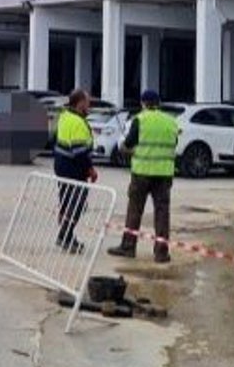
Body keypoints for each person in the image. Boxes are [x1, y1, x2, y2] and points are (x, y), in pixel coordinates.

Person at [107, 89, 178, 264]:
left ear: (143, 103)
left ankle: (128, 247)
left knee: (135, 211)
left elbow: (128, 144)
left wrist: (124, 146)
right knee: (162, 213)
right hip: (164, 175)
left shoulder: (140, 120)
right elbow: (174, 143)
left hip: (142, 173)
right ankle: (161, 253)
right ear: (159, 103)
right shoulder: (171, 121)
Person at [54, 88, 97, 253]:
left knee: (66, 202)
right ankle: (65, 236)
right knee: (77, 204)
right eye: (87, 103)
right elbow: (79, 151)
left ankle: (68, 236)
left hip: (61, 165)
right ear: (80, 104)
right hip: (73, 169)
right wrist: (90, 169)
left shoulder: (65, 117)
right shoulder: (78, 122)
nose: (89, 106)